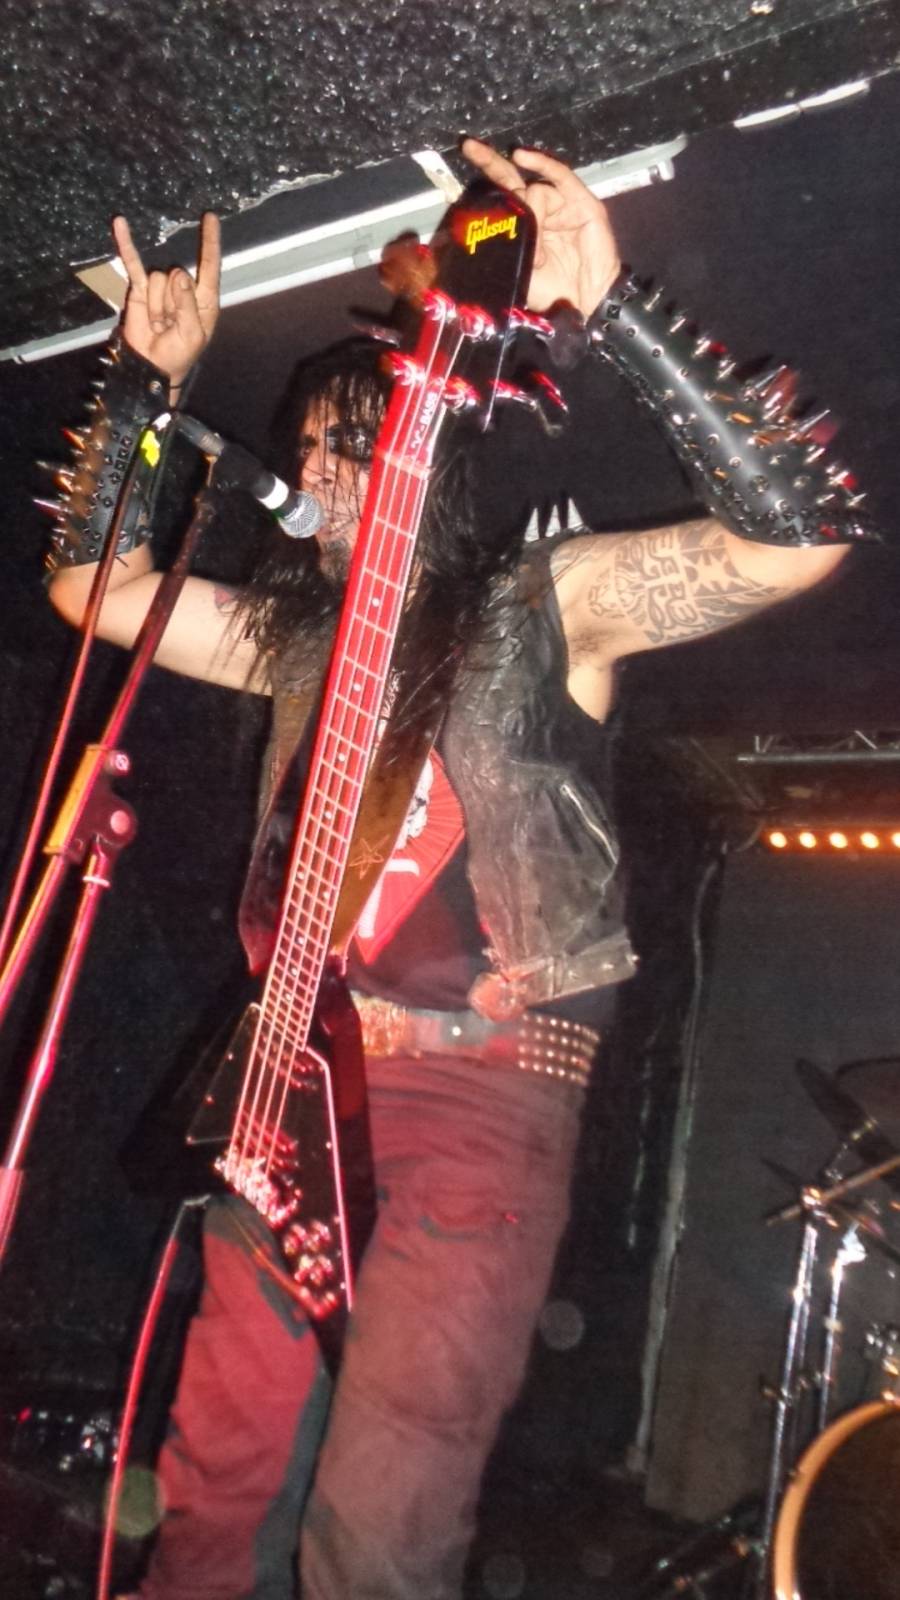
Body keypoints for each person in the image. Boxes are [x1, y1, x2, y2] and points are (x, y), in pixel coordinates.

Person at [46, 140, 871, 1599]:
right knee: (211, 1490)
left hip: (476, 1093)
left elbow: (792, 544)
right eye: (306, 450)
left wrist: (617, 310)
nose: (317, 471)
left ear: (426, 450)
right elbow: (92, 589)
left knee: (381, 1520)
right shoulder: (291, 641)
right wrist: (142, 383)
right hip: (284, 1077)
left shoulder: (546, 606)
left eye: (349, 441)